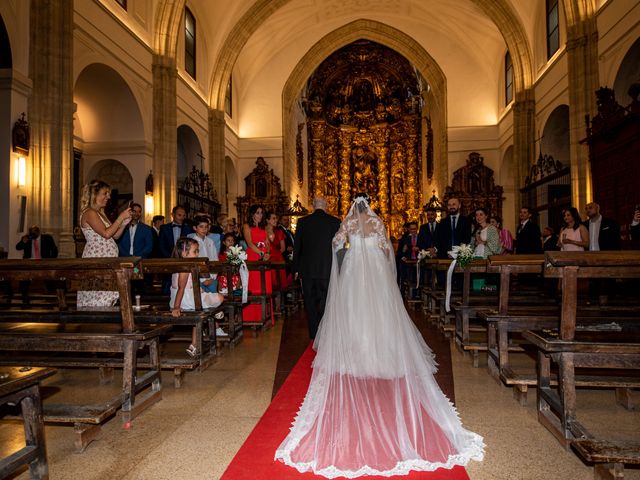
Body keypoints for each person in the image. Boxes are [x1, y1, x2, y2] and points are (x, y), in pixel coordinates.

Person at [275, 193, 484, 476]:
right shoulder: (376, 223)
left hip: (353, 271)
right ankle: (381, 354)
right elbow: (388, 251)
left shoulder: (349, 222)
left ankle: (356, 354)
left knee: (353, 311)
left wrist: (345, 252)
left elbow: (336, 243)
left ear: (353, 206)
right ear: (369, 206)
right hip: (374, 272)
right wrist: (383, 264)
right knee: (380, 312)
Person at [77, 180, 132, 307]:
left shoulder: (100, 213)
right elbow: (106, 233)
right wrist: (120, 217)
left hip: (107, 259)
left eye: (109, 194)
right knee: (98, 298)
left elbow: (115, 236)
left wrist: (123, 224)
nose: (108, 197)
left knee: (107, 299)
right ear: (94, 195)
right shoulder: (89, 212)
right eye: (105, 193)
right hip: (97, 259)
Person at [292, 197, 341, 339]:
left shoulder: (303, 222)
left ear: (313, 206)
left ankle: (314, 333)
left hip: (307, 270)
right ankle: (325, 332)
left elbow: (297, 248)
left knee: (310, 301)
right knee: (327, 301)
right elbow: (338, 248)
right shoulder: (335, 222)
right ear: (326, 206)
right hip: (327, 268)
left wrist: (296, 269)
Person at [170, 237, 225, 354]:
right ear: (184, 253)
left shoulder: (181, 264)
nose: (197, 254)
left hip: (186, 298)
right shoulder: (185, 267)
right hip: (186, 300)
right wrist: (176, 307)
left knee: (199, 310)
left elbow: (190, 285)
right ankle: (215, 312)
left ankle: (194, 345)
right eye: (195, 251)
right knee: (220, 297)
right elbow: (181, 288)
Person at [242, 204, 273, 324]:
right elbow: (249, 243)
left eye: (261, 213)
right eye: (257, 213)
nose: (260, 215)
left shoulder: (263, 227)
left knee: (264, 286)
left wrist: (268, 253)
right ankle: (251, 317)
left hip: (263, 258)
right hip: (253, 256)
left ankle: (263, 316)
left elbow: (267, 243)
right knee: (253, 286)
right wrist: (261, 253)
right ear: (252, 214)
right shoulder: (246, 226)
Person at [188, 215, 219, 293]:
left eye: (206, 227)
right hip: (197, 278)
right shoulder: (191, 243)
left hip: (211, 278)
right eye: (201, 227)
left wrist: (212, 278)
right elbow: (192, 263)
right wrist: (203, 280)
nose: (204, 229)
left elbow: (214, 259)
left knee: (213, 300)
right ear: (195, 228)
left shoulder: (210, 242)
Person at [266, 211, 289, 289]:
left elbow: (283, 248)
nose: (276, 220)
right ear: (267, 220)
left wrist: (276, 255)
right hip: (267, 259)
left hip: (278, 260)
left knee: (279, 285)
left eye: (276, 218)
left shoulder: (279, 232)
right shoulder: (263, 232)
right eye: (273, 218)